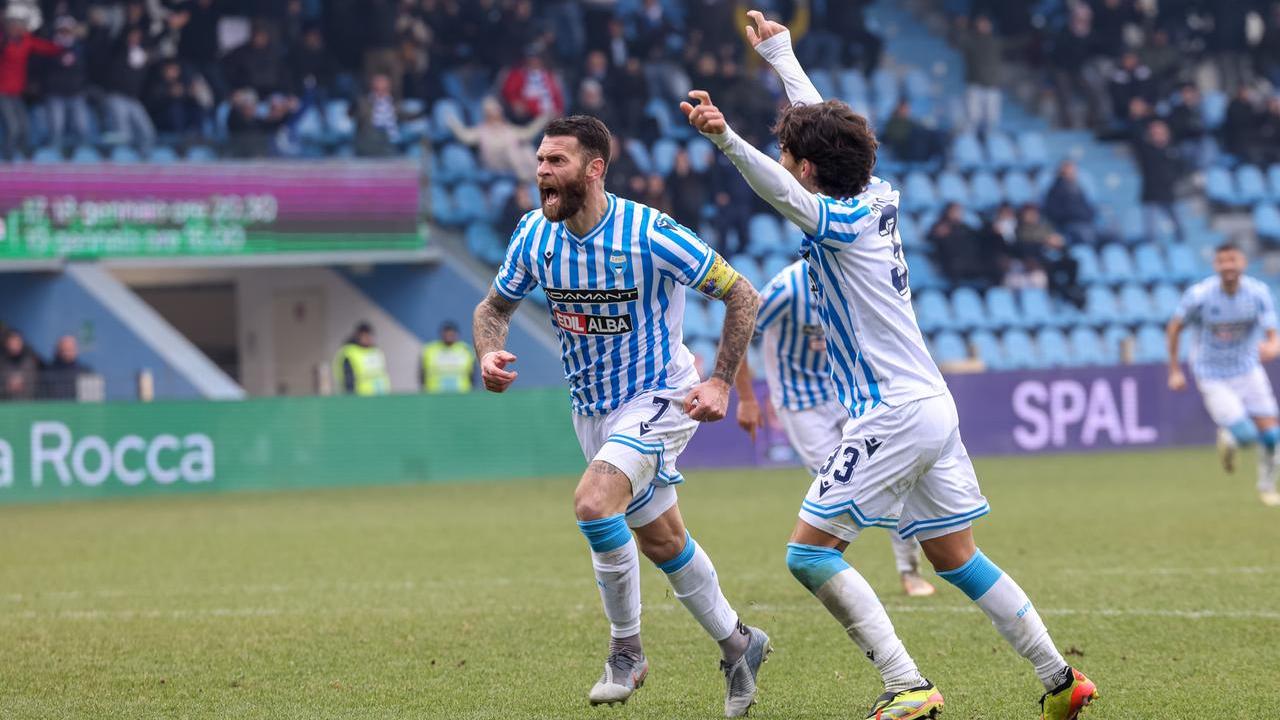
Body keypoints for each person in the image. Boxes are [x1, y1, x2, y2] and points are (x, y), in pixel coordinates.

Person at [682, 13, 1097, 719]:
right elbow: (823, 130)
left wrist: (724, 138)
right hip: (930, 404)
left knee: (809, 555)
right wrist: (782, 54)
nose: (787, 159)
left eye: (791, 153)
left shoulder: (837, 222)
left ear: (809, 172)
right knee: (956, 558)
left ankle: (907, 683)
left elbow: (778, 188)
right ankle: (1061, 680)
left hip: (892, 411)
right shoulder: (875, 192)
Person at [472, 115, 770, 716]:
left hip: (661, 396)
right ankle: (740, 643)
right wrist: (488, 352)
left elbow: (742, 293)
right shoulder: (534, 235)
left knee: (591, 504)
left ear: (594, 168)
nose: (541, 173)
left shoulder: (649, 232)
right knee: (663, 540)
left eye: (556, 162)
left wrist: (719, 382)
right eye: (540, 162)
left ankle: (626, 651)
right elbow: (493, 306)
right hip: (593, 410)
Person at [734, 259, 937, 598]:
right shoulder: (787, 289)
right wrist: (747, 399)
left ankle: (910, 571)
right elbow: (740, 330)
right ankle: (823, 565)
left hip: (848, 395)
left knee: (899, 475)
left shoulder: (856, 276)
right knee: (838, 485)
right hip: (800, 404)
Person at [1167, 243, 1280, 507]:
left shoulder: (1258, 293)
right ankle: (1229, 437)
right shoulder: (1199, 295)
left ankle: (1267, 487)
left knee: (1273, 436)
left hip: (1248, 368)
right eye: (1222, 261)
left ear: (1244, 263)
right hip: (1212, 373)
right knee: (1246, 436)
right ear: (1215, 266)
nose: (1228, 266)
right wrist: (1174, 369)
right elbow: (1174, 328)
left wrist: (1273, 347)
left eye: (1233, 260)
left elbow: (1272, 333)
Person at [0, 7, 61, 159]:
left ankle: (24, 153)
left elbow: (48, 48)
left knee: (25, 125)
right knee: (13, 126)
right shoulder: (2, 41)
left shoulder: (27, 41)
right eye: (13, 24)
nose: (16, 27)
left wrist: (64, 46)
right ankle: (8, 155)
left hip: (17, 91)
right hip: (2, 91)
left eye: (19, 24)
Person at [446, 96, 548, 182]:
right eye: (489, 111)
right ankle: (525, 178)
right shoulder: (481, 130)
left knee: (527, 149)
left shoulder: (508, 129)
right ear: (485, 113)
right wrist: (452, 122)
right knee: (511, 150)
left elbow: (527, 133)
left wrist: (543, 118)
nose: (493, 113)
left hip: (512, 164)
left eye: (495, 109)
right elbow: (465, 137)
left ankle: (538, 176)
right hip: (493, 165)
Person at [1042, 161, 1097, 246]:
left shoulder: (1078, 189)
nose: (1074, 174)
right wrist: (1075, 215)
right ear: (1061, 173)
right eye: (1071, 171)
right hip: (1069, 226)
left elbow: (1089, 208)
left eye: (1074, 171)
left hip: (1085, 224)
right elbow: (1053, 213)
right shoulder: (1055, 191)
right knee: (1087, 236)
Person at [332, 322, 390, 396]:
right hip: (360, 398)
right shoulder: (350, 353)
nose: (368, 338)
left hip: (380, 396)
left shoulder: (376, 352)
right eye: (365, 336)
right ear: (358, 336)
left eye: (370, 335)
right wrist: (351, 398)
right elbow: (348, 379)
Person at [420, 321, 474, 394]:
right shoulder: (430, 349)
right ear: (441, 334)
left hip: (461, 394)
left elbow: (472, 374)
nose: (449, 335)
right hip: (434, 394)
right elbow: (422, 373)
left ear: (456, 334)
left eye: (451, 332)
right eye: (446, 332)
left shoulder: (466, 349)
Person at [39, 335, 92, 400]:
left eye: (70, 349)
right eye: (64, 349)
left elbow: (91, 400)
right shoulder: (47, 372)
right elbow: (43, 400)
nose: (67, 352)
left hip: (79, 409)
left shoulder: (85, 372)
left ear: (76, 350)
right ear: (57, 350)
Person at [1, 328, 40, 401]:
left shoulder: (30, 361)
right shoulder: (2, 362)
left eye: (17, 342)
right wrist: (8, 387)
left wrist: (23, 384)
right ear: (6, 344)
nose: (14, 345)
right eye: (12, 342)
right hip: (5, 403)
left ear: (22, 343)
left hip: (26, 403)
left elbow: (35, 384)